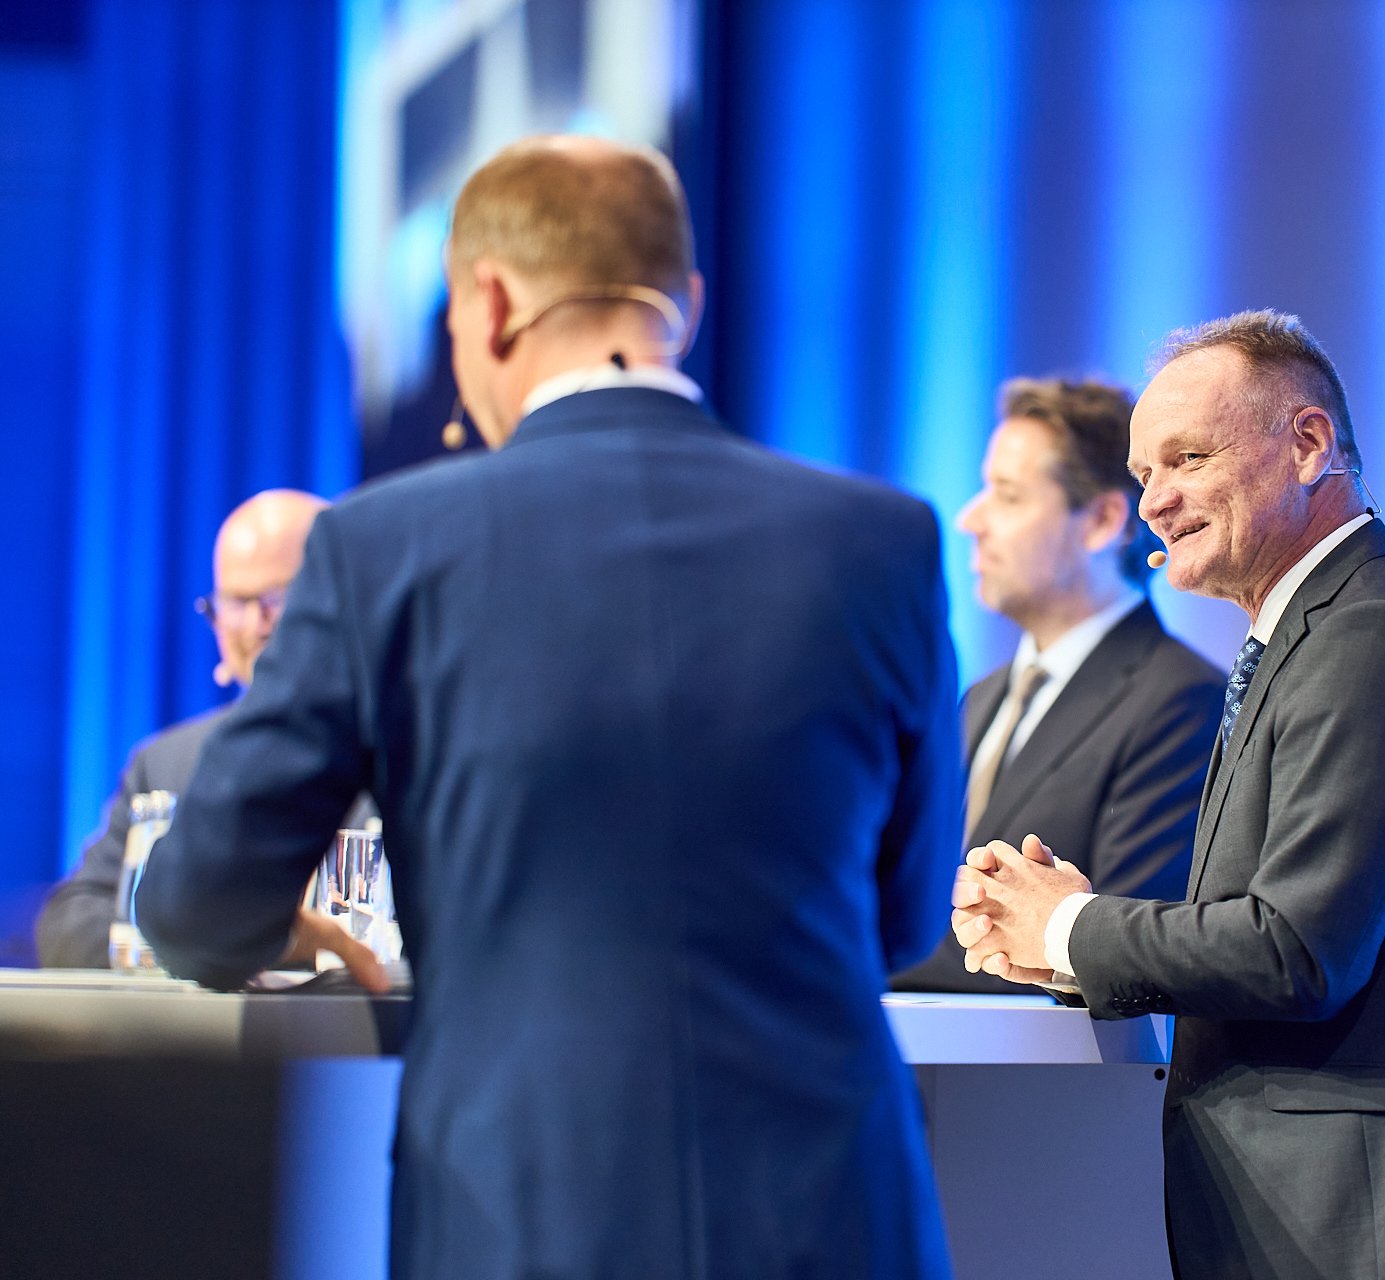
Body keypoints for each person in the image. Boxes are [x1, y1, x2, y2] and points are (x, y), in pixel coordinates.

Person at [137, 136, 958, 1280]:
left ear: (488, 303)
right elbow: (906, 913)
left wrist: (272, 922)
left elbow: (197, 902)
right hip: (830, 1211)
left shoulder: (384, 546)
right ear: (691, 303)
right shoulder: (884, 540)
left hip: (518, 1213)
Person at [951, 312, 1385, 1278]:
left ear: (1308, 444)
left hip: (1365, 1224)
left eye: (1186, 459)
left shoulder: (1371, 638)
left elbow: (1298, 950)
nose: (1156, 502)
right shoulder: (1308, 637)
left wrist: (1072, 927)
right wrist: (1058, 945)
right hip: (1313, 1215)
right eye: (1145, 476)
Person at [892, 377, 1221, 994]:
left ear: (1101, 520)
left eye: (1007, 496)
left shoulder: (1182, 701)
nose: (971, 519)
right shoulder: (980, 699)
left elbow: (1127, 954)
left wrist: (835, 966)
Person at [35, 489, 330, 968]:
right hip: (195, 1039)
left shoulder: (411, 750)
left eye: (282, 597)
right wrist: (212, 942)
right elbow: (70, 923)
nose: (258, 624)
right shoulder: (166, 763)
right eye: (237, 601)